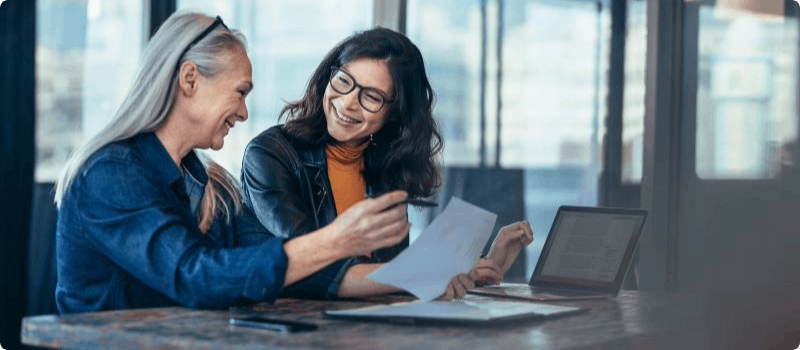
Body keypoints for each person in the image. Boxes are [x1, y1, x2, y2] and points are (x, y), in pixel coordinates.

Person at [53, 11, 411, 314]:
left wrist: (416, 277)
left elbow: (294, 270)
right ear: (190, 79)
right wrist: (335, 240)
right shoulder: (109, 175)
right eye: (240, 92)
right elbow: (193, 277)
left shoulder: (212, 186)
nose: (243, 112)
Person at [241, 27, 533, 300]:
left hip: (370, 326)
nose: (347, 102)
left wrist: (480, 268)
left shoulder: (386, 167)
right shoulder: (271, 154)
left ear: (394, 113)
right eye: (343, 80)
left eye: (371, 96)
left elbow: (392, 278)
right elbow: (306, 265)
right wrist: (427, 273)